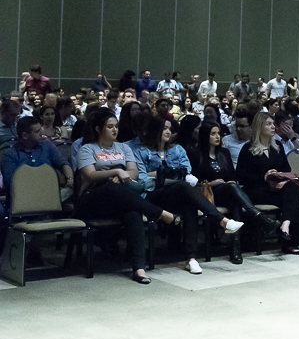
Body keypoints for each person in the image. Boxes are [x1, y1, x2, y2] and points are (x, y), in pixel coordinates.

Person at [74, 109, 178, 284]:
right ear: (99, 129)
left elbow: (134, 172)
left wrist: (121, 175)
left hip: (119, 198)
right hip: (91, 201)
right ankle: (159, 213)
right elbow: (90, 175)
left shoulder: (123, 147)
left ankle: (139, 268)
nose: (115, 130)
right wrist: (115, 171)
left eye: (116, 126)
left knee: (133, 212)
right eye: (110, 127)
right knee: (110, 187)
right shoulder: (87, 148)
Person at [134, 116, 243, 274]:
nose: (168, 131)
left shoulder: (177, 149)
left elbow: (188, 173)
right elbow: (144, 181)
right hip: (153, 197)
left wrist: (160, 175)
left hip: (176, 194)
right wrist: (172, 177)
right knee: (183, 187)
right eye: (164, 128)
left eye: (169, 128)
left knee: (188, 199)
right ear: (155, 130)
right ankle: (221, 220)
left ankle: (191, 259)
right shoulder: (141, 152)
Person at [189, 123, 280, 264]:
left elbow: (233, 175)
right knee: (232, 192)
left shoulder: (224, 153)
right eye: (213, 134)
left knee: (234, 198)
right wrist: (213, 183)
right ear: (205, 136)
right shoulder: (195, 154)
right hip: (208, 194)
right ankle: (258, 217)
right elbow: (193, 182)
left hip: (226, 192)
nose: (217, 137)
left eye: (218, 133)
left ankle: (235, 249)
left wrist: (228, 182)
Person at [236, 112, 299, 254]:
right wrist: (264, 176)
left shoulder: (278, 146)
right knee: (293, 199)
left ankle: (285, 226)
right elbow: (241, 176)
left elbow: (287, 169)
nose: (273, 127)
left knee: (294, 189)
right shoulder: (248, 149)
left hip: (276, 188)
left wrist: (278, 174)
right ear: (259, 127)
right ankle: (289, 243)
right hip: (257, 189)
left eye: (273, 124)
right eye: (268, 124)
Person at [1, 116, 74, 203]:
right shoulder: (9, 155)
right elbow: (12, 185)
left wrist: (70, 180)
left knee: (70, 193)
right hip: (24, 198)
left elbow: (63, 163)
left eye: (40, 130)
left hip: (49, 192)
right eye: (37, 131)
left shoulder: (47, 145)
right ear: (25, 135)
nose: (42, 133)